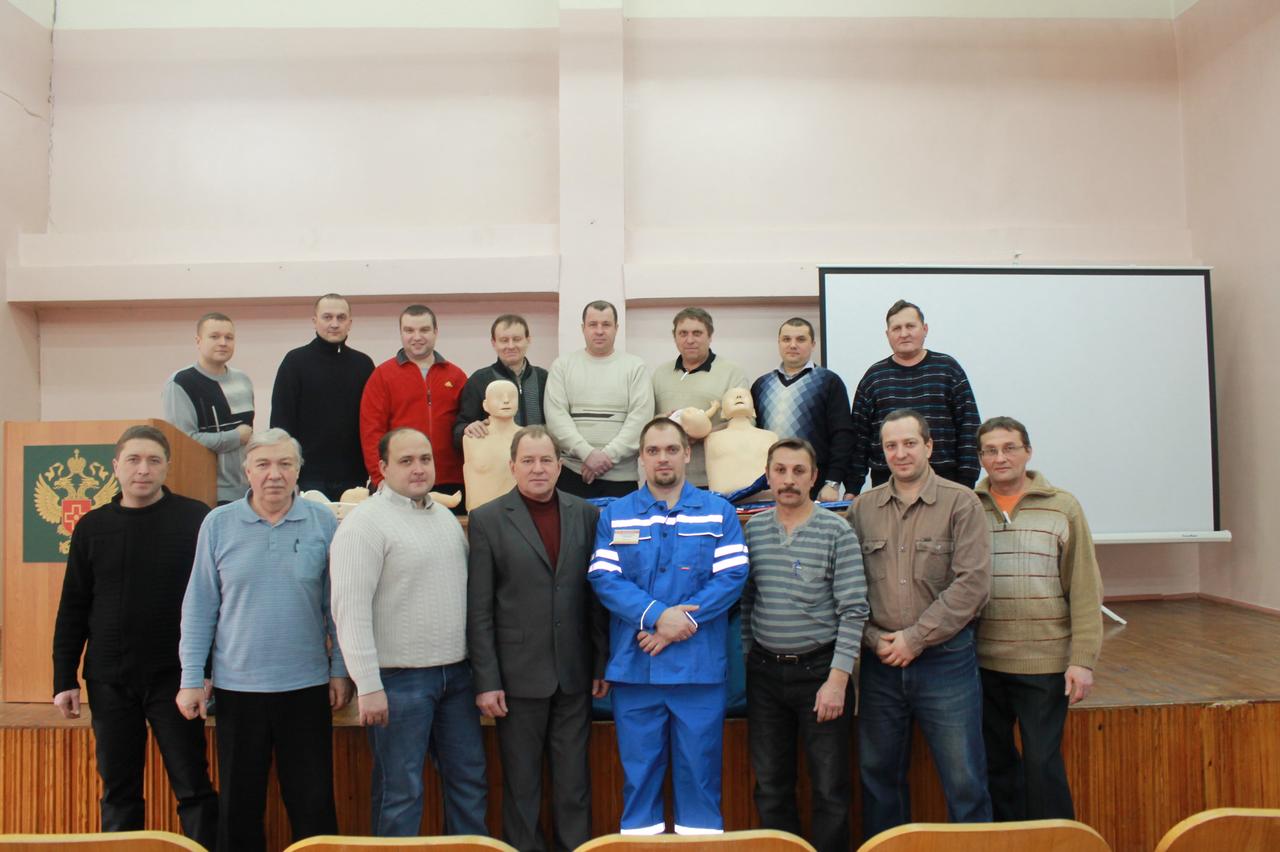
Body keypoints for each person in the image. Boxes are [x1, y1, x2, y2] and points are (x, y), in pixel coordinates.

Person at [176, 428, 353, 852]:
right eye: (264, 464)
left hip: (307, 687)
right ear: (247, 471)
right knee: (239, 809)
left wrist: (340, 670)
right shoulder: (218, 524)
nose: (275, 474)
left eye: (285, 464)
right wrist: (190, 677)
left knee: (313, 806)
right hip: (238, 690)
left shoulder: (323, 522)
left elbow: (337, 605)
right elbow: (200, 606)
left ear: (298, 470)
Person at [51, 425, 217, 848]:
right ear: (115, 467)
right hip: (109, 679)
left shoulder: (195, 519)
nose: (143, 469)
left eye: (153, 460)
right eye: (133, 460)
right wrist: (63, 678)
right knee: (118, 791)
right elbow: (73, 607)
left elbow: (214, 602)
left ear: (167, 467)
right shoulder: (92, 527)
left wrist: (205, 671)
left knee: (193, 786)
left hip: (175, 678)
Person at [588, 417, 749, 835]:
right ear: (641, 458)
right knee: (638, 782)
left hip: (699, 673)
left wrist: (681, 622)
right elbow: (604, 578)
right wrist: (660, 617)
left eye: (671, 449)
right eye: (653, 451)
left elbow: (732, 577)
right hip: (636, 672)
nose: (663, 458)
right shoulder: (615, 515)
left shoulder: (719, 512)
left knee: (701, 780)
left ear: (687, 454)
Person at [330, 427, 488, 836]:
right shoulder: (364, 524)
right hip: (398, 682)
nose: (418, 469)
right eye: (406, 461)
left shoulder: (446, 520)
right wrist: (367, 684)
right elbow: (349, 610)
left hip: (456, 677)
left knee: (469, 784)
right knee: (400, 793)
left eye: (425, 459)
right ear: (382, 468)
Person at [846, 408, 992, 839]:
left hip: (946, 662)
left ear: (929, 446)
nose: (900, 453)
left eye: (909, 443)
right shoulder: (862, 509)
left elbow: (972, 584)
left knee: (965, 781)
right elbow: (848, 587)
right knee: (878, 779)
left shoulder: (961, 503)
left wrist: (915, 638)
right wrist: (874, 639)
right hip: (880, 665)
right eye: (891, 445)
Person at [467, 425, 609, 851]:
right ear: (512, 466)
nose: (538, 468)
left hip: (574, 675)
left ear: (559, 465)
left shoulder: (586, 515)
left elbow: (595, 597)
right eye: (528, 460)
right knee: (522, 788)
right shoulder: (487, 520)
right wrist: (487, 680)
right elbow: (479, 610)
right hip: (516, 679)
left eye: (546, 460)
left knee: (574, 786)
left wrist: (600, 663)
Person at [973, 416, 1103, 821]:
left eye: (1009, 447)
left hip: (1044, 665)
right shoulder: (967, 507)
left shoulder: (1063, 506)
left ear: (1028, 451)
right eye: (990, 450)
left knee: (1042, 766)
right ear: (980, 458)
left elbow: (1085, 587)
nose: (1000, 457)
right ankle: (1008, 842)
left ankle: (1055, 842)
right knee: (995, 765)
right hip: (982, 663)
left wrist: (1082, 661)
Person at [741, 438, 868, 852]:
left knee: (830, 789)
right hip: (765, 675)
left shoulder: (837, 530)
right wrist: (749, 654)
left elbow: (854, 611)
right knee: (771, 786)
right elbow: (747, 601)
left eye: (798, 471)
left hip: (820, 675)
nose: (789, 480)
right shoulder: (754, 530)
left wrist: (838, 680)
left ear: (814, 477)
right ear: (768, 475)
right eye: (780, 471)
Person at [847, 300, 981, 493]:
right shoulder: (874, 377)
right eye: (897, 328)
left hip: (946, 483)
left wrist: (966, 484)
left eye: (910, 326)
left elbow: (969, 427)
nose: (904, 334)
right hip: (887, 484)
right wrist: (852, 488)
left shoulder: (948, 369)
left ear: (924, 329)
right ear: (888, 334)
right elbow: (859, 437)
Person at [270, 293, 375, 500]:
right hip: (307, 475)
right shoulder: (295, 362)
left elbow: (372, 422)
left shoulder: (363, 365)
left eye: (341, 317)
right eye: (327, 317)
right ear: (314, 321)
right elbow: (281, 423)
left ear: (350, 323)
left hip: (353, 476)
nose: (334, 324)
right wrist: (286, 470)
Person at [545, 300, 653, 499]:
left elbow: (640, 419)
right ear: (583, 328)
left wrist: (606, 457)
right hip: (571, 474)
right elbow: (556, 418)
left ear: (616, 328)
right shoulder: (562, 366)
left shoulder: (635, 367)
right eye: (593, 324)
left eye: (606, 324)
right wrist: (587, 454)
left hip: (621, 479)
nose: (600, 331)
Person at [359, 304, 467, 499]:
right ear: (401, 333)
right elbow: (371, 431)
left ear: (435, 332)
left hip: (450, 481)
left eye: (424, 330)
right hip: (400, 481)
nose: (417, 337)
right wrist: (379, 476)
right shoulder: (382, 376)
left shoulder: (456, 376)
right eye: (409, 330)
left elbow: (466, 424)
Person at [750, 318, 853, 502]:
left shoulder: (828, 382)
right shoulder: (761, 385)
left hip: (815, 485)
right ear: (779, 343)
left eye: (801, 339)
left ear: (813, 344)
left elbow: (842, 436)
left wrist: (832, 483)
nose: (793, 345)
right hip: (771, 485)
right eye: (786, 339)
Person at [162, 311, 254, 504]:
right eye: (214, 336)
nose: (223, 343)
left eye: (229, 337)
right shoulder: (181, 383)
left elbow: (248, 436)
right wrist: (235, 437)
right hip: (203, 491)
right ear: (198, 341)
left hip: (246, 490)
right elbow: (184, 442)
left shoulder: (243, 380)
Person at [650, 307, 748, 488]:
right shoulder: (660, 374)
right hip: (668, 480)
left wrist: (703, 433)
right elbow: (649, 422)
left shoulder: (732, 373)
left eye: (697, 333)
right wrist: (664, 421)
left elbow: (744, 423)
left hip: (715, 479)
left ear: (710, 336)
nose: (690, 340)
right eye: (683, 333)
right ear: (675, 337)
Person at [454, 313, 548, 448]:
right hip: (496, 457)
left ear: (528, 340)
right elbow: (459, 429)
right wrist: (467, 428)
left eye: (517, 339)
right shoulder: (478, 380)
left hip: (537, 455)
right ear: (494, 343)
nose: (511, 346)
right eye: (504, 340)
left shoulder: (544, 378)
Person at [704, 387, 779, 496]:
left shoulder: (771, 437)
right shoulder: (711, 438)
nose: (739, 397)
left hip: (766, 499)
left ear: (753, 410)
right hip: (725, 501)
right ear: (723, 413)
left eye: (745, 396)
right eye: (731, 397)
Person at [462, 380, 520, 512]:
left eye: (511, 396)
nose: (506, 400)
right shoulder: (471, 439)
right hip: (480, 515)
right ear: (485, 405)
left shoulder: (527, 439)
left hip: (520, 515)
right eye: (498, 397)